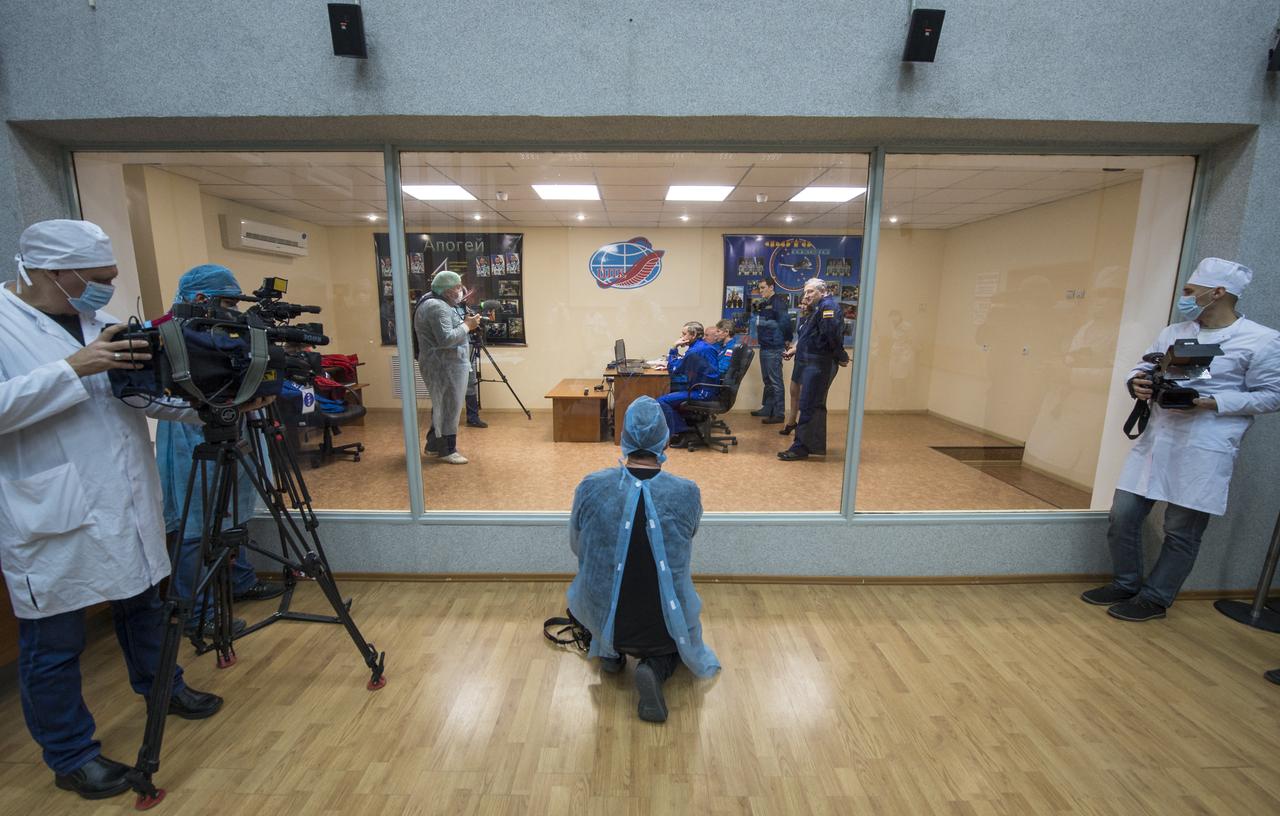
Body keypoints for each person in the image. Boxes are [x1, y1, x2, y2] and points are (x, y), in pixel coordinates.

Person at [0, 220, 224, 801]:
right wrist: (74, 368)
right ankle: (72, 756)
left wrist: (215, 403)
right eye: (96, 280)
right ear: (53, 273)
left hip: (123, 492)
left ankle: (162, 687)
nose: (104, 289)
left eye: (110, 279)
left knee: (146, 601)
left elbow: (137, 398)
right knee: (54, 641)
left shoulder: (100, 324)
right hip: (52, 507)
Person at [1081, 258, 1280, 621]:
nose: (1184, 297)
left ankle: (1155, 598)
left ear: (1217, 293)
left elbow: (1272, 395)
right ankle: (1126, 582)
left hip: (1206, 445)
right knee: (1123, 515)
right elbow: (1144, 366)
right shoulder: (1174, 331)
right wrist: (1136, 381)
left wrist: (1212, 402)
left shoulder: (1261, 340)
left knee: (1181, 530)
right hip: (1158, 438)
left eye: (1190, 291)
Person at [566, 396, 720, 722]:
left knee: (598, 595)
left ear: (624, 436)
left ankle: (610, 650)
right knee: (678, 641)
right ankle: (654, 667)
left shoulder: (591, 486)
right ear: (664, 439)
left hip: (605, 616)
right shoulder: (686, 492)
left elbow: (577, 546)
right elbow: (685, 541)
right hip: (662, 623)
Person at [155, 265, 285, 639]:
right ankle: (196, 612)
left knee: (233, 509)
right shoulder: (172, 334)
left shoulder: (227, 333)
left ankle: (240, 579)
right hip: (191, 431)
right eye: (227, 302)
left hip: (237, 419)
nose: (232, 309)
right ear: (200, 300)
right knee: (196, 522)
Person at [415, 270, 482, 464]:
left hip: (445, 364)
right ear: (446, 290)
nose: (461, 290)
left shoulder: (437, 303)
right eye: (457, 287)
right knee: (449, 408)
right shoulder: (437, 307)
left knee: (443, 406)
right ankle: (447, 450)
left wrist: (464, 323)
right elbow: (446, 339)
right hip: (444, 366)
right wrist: (467, 326)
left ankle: (433, 445)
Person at [779, 278, 850, 460]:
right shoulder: (819, 308)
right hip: (810, 361)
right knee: (814, 406)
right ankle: (815, 446)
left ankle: (800, 448)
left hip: (819, 363)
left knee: (808, 405)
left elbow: (831, 335)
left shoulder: (828, 308)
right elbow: (809, 336)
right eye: (805, 292)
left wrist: (840, 356)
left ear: (823, 290)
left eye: (810, 292)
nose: (806, 295)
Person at [657, 321, 720, 440]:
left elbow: (674, 369)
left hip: (702, 392)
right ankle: (684, 425)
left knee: (661, 401)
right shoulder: (702, 346)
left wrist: (673, 348)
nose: (681, 337)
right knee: (672, 391)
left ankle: (684, 432)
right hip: (707, 388)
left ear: (693, 334)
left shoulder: (695, 351)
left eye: (684, 334)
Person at [750, 277, 793, 424]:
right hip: (765, 346)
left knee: (775, 382)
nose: (760, 291)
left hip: (774, 347)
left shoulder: (778, 303)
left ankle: (779, 414)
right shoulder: (765, 303)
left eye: (763, 288)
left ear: (771, 287)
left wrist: (787, 339)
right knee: (767, 380)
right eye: (759, 288)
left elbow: (785, 323)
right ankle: (767, 408)